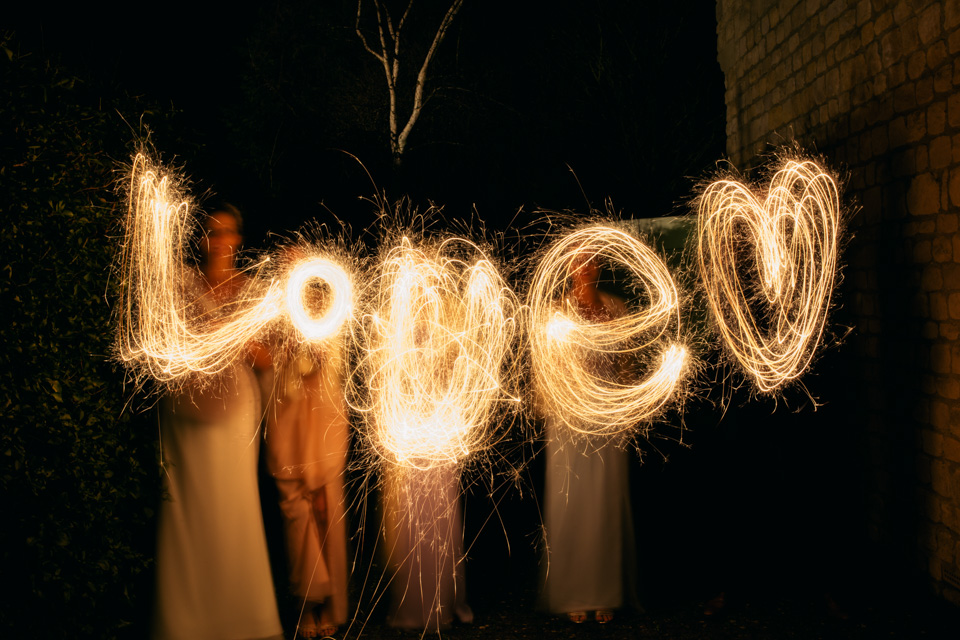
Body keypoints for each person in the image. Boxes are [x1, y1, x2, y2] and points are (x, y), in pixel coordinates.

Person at [152, 204, 283, 639]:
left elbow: (268, 359)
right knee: (189, 509)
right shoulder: (183, 283)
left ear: (238, 240)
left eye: (227, 232)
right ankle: (185, 619)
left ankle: (241, 616)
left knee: (233, 506)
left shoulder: (250, 291)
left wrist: (240, 337)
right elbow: (164, 342)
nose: (219, 240)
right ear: (202, 238)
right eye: (211, 231)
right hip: (186, 413)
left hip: (234, 416)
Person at [538, 253, 638, 625]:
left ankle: (605, 593)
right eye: (579, 261)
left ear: (600, 267)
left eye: (592, 261)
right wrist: (555, 404)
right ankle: (573, 592)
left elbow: (626, 362)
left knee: (604, 503)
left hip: (607, 417)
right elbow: (545, 367)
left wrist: (626, 408)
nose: (586, 267)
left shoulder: (617, 307)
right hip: (568, 420)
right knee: (572, 502)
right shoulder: (556, 312)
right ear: (568, 267)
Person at [265, 338, 350, 638]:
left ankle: (329, 604)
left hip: (323, 418)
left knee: (327, 515)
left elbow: (334, 367)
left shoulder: (332, 323)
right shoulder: (282, 321)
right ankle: (307, 605)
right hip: (290, 420)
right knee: (299, 517)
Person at [382, 463, 474, 631]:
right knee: (409, 516)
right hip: (407, 459)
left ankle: (442, 601)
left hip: (438, 457)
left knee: (438, 513)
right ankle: (416, 605)